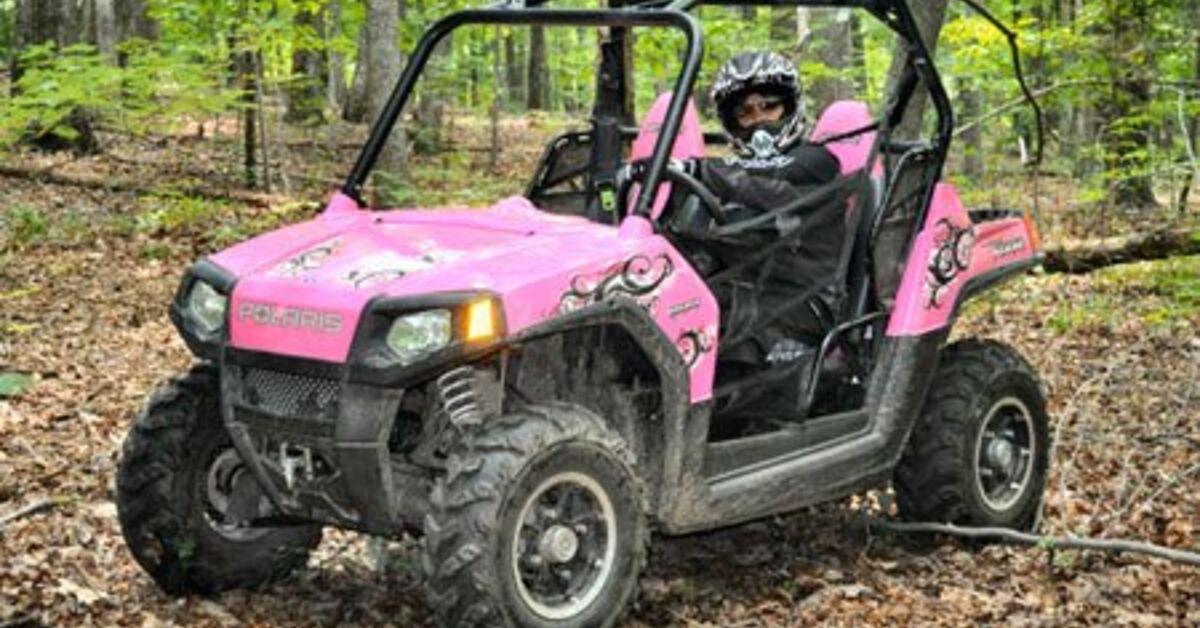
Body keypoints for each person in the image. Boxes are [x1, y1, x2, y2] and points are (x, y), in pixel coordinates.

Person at [682, 51, 847, 418]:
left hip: (803, 301)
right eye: (745, 113)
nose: (759, 122)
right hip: (745, 288)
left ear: (789, 107)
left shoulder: (816, 161)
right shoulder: (728, 171)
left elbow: (772, 186)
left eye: (768, 107)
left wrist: (702, 171)